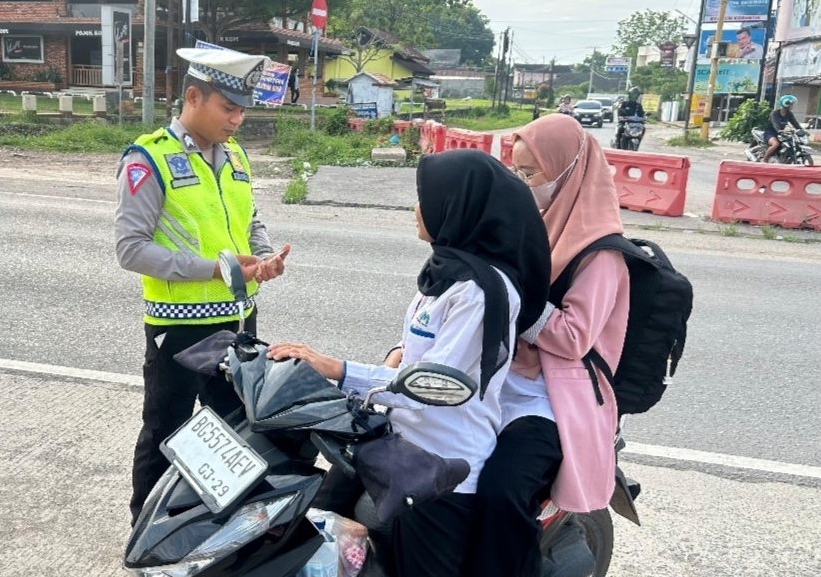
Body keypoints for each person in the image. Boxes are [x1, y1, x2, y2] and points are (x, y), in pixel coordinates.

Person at [267, 150, 552, 576]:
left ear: (458, 208)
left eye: (427, 198)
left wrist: (339, 370)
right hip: (397, 443)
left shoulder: (481, 293)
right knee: (315, 535)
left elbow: (430, 388)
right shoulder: (447, 271)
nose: (417, 209)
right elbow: (416, 351)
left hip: (440, 470)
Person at [116, 46, 291, 525]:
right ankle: (146, 530)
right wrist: (215, 268)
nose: (237, 120)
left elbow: (248, 220)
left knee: (235, 430)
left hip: (238, 320)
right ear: (193, 97)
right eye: (228, 108)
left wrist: (266, 258)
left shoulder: (235, 156)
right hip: (180, 326)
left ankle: (212, 527)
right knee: (165, 429)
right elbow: (130, 249)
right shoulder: (147, 158)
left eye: (242, 110)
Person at [470, 113, 629, 577]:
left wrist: (516, 297)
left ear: (567, 170)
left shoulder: (601, 252)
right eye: (516, 172)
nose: (522, 183)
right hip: (504, 377)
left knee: (500, 490)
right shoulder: (531, 225)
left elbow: (575, 336)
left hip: (555, 398)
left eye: (530, 173)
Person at [762, 94, 806, 163]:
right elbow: (775, 123)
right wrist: (779, 130)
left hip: (781, 133)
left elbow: (795, 123)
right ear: (786, 104)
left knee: (788, 144)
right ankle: (764, 159)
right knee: (775, 144)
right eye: (791, 104)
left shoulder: (789, 114)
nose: (792, 106)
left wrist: (802, 130)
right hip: (770, 133)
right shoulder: (774, 113)